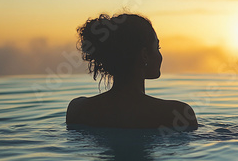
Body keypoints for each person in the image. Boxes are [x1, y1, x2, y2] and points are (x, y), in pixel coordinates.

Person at [66, 13, 197, 129]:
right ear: (144, 54)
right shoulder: (177, 113)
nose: (160, 55)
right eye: (157, 47)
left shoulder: (77, 110)